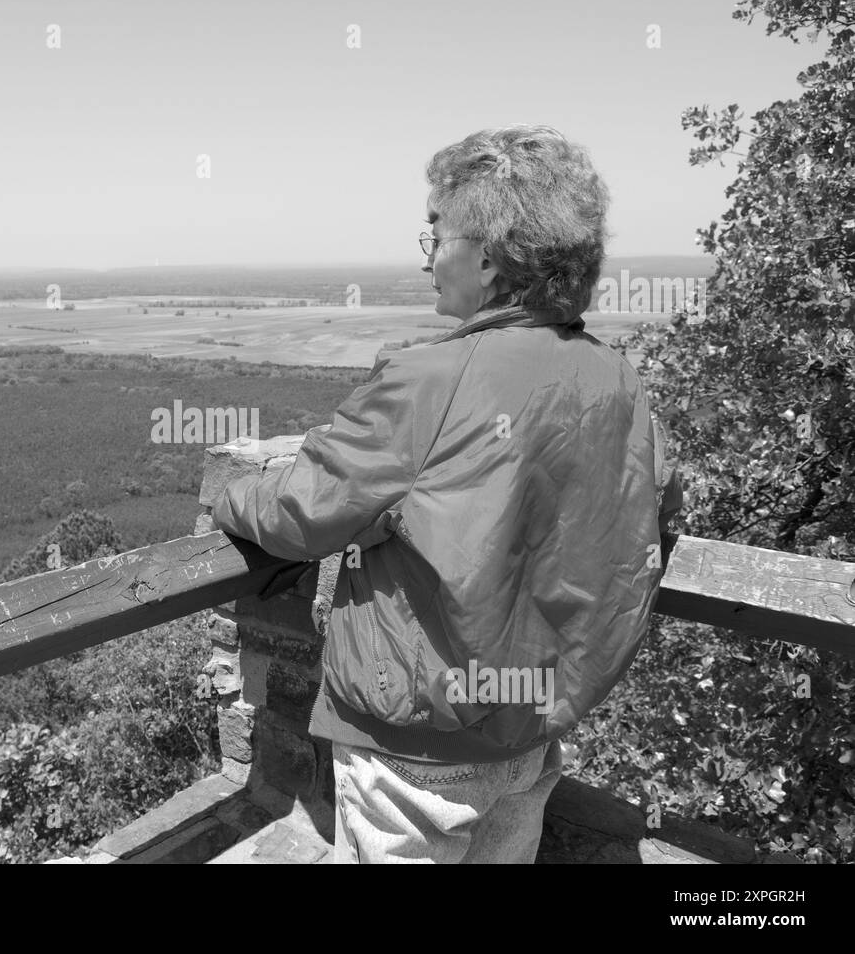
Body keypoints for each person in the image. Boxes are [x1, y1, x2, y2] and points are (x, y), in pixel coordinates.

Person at [210, 125, 684, 864]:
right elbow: (648, 521)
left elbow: (301, 512)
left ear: (489, 258)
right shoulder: (616, 380)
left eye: (436, 231)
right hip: (531, 731)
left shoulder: (430, 378)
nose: (425, 253)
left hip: (416, 747)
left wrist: (231, 491)